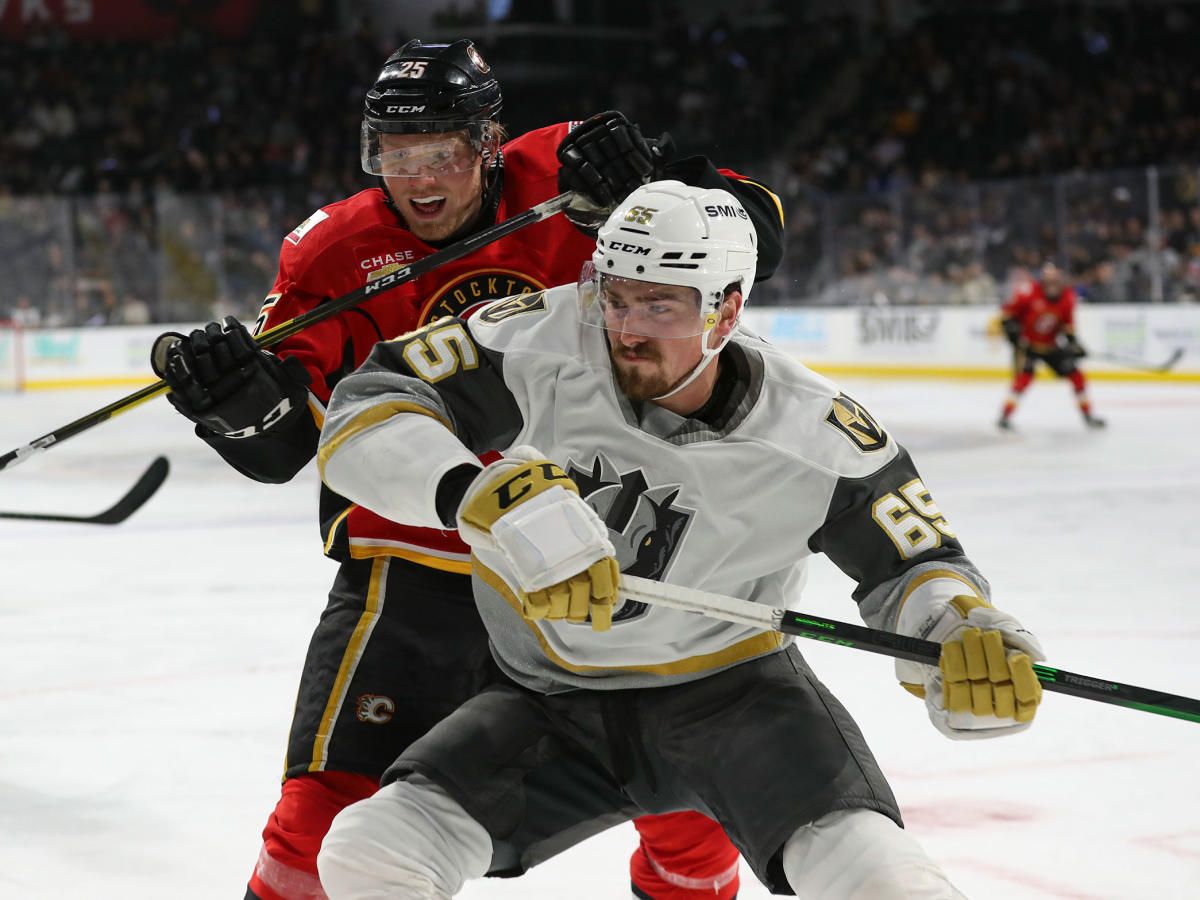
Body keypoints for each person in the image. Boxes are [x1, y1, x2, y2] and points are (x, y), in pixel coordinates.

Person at [151, 40, 784, 900]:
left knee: (694, 816)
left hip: (602, 557)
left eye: (440, 153)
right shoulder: (334, 251)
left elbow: (756, 238)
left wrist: (664, 193)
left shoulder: (574, 175)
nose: (416, 178)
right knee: (313, 829)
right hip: (420, 565)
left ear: (490, 143)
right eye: (394, 156)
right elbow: (284, 444)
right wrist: (233, 399)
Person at [312, 180, 1046, 899]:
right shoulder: (535, 336)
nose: (627, 330)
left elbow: (918, 566)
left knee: (892, 885)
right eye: (617, 295)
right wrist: (476, 494)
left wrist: (964, 632)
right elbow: (366, 407)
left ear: (727, 310)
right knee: (367, 853)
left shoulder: (820, 435)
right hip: (546, 701)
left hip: (737, 705)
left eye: (661, 305)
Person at [997, 261, 1105, 430]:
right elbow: (1007, 317)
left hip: (1050, 346)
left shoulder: (1068, 297)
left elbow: (1067, 327)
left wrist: (1074, 345)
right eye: (1048, 281)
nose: (1052, 286)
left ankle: (1088, 415)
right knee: (1022, 380)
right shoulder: (1028, 293)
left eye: (1055, 281)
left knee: (1076, 376)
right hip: (1028, 346)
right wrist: (1015, 336)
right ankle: (1005, 416)